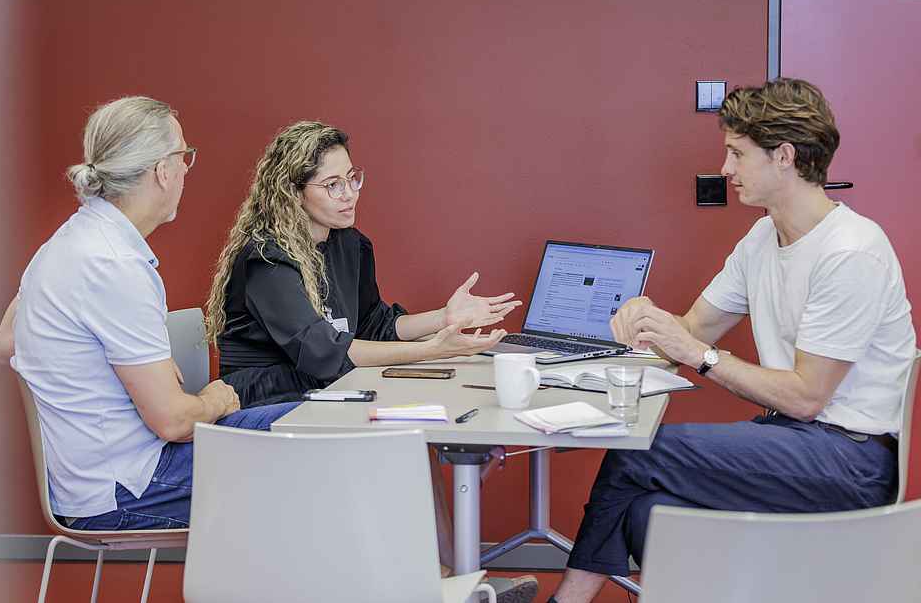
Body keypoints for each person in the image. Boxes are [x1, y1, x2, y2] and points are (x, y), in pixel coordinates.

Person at [550, 78, 916, 603]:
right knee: (646, 513)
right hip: (795, 442)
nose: (725, 169)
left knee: (636, 454)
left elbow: (806, 398)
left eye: (737, 153)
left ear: (784, 156)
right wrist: (648, 322)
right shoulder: (763, 237)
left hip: (849, 461)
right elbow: (693, 330)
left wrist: (695, 354)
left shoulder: (850, 253)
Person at [204, 121, 538, 602]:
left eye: (352, 178)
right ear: (293, 192)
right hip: (268, 403)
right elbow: (323, 354)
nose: (348, 194)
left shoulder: (348, 243)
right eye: (332, 184)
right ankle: (441, 583)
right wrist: (434, 349)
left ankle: (445, 580)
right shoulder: (266, 259)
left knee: (410, 437)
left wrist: (445, 317)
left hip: (324, 394)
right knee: (393, 438)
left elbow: (374, 326)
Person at [0, 96, 298, 530]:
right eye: (184, 155)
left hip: (92, 481)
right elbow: (174, 422)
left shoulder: (65, 242)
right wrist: (213, 400)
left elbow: (8, 345)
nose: (187, 169)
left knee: (308, 420)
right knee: (317, 442)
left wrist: (115, 363)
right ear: (162, 171)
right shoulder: (116, 265)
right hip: (128, 488)